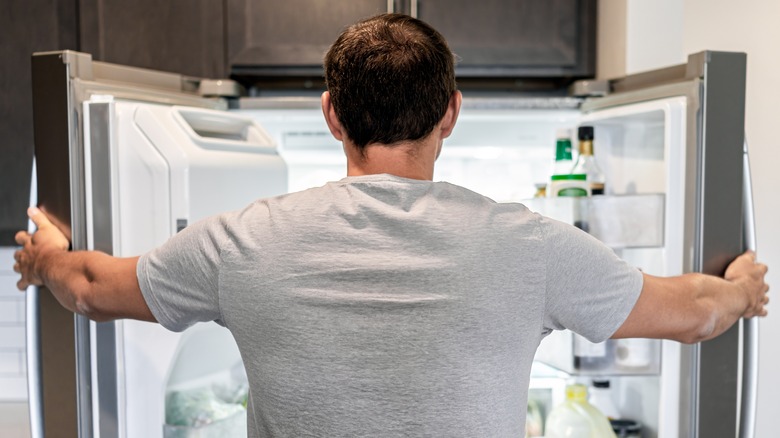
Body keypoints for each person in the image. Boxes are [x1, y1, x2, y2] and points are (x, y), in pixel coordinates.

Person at [13, 13, 768, 438]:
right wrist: (741, 287)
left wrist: (45, 256)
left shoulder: (240, 240)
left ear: (333, 115)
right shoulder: (531, 247)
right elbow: (695, 315)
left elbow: (88, 286)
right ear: (450, 113)